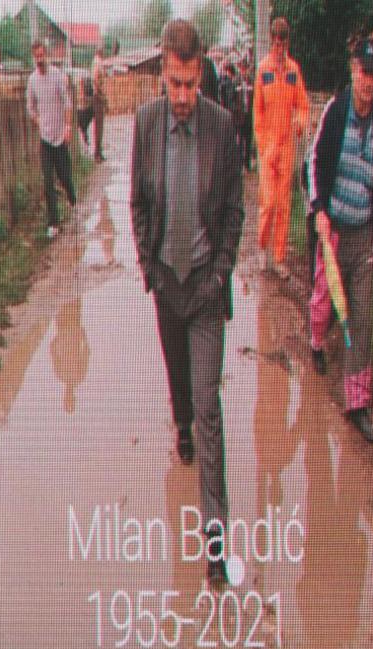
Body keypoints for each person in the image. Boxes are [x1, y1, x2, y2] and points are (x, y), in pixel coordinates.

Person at [130, 20, 245, 584]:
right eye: (174, 84)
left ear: (201, 73)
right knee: (180, 388)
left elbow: (233, 216)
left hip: (203, 287)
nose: (181, 97)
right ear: (161, 74)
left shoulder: (223, 129)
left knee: (210, 409)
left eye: (190, 84)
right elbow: (138, 203)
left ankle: (216, 544)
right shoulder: (146, 124)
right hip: (166, 285)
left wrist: (218, 276)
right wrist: (148, 264)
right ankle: (178, 427)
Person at [305, 38, 373, 444]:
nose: (368, 82)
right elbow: (315, 161)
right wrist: (319, 209)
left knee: (362, 315)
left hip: (362, 234)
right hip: (333, 229)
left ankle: (357, 403)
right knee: (324, 298)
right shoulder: (336, 111)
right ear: (352, 71)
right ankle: (316, 339)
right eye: (363, 72)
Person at [253, 16, 309, 269]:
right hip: (269, 146)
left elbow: (303, 105)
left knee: (284, 204)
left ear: (287, 42)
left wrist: (300, 120)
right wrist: (263, 145)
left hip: (287, 146)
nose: (279, 49)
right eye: (275, 44)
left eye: (283, 44)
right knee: (269, 202)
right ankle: (262, 248)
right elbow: (258, 111)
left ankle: (278, 258)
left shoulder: (293, 71)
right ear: (271, 41)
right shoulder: (263, 70)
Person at [27, 41, 77, 238]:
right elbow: (30, 107)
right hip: (45, 138)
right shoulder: (32, 81)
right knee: (48, 180)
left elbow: (67, 103)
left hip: (60, 136)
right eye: (36, 57)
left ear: (46, 55)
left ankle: (73, 199)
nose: (39, 60)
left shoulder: (57, 76)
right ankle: (53, 222)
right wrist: (38, 120)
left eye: (42, 56)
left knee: (64, 175)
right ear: (33, 57)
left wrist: (68, 127)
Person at [86, 46, 109, 161]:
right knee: (99, 126)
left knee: (99, 126)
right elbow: (96, 79)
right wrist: (101, 93)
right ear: (101, 52)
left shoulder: (96, 62)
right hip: (98, 97)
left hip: (98, 96)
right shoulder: (97, 62)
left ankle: (98, 152)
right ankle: (97, 154)